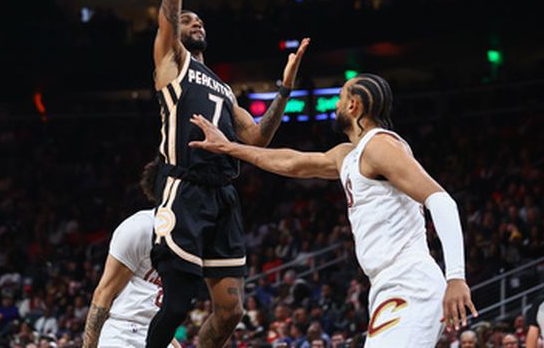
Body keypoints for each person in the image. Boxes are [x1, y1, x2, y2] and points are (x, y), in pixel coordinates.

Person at [189, 73, 476, 346]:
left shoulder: (381, 145)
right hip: (386, 284)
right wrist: (229, 148)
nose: (336, 103)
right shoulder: (350, 155)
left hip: (411, 281)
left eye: (340, 97)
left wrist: (456, 277)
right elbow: (291, 162)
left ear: (353, 105)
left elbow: (441, 201)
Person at [147, 0, 310, 348]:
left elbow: (258, 138)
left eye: (199, 19)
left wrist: (284, 90)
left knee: (232, 311)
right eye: (186, 18)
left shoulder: (221, 86)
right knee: (178, 304)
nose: (194, 20)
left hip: (223, 196)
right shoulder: (171, 61)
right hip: (185, 187)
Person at [83, 160, 180, 348]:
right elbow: (104, 293)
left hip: (157, 334)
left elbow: (155, 306)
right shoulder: (141, 227)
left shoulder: (191, 237)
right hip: (124, 333)